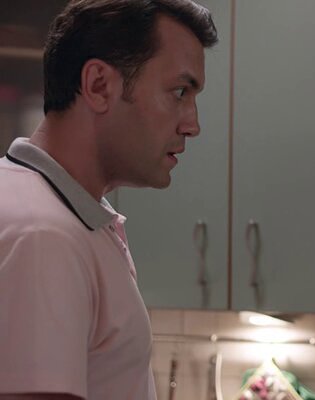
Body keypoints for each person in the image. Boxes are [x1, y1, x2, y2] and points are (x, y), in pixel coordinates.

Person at [0, 1, 217, 399]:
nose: (193, 124)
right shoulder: (44, 236)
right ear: (99, 85)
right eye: (179, 92)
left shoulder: (69, 215)